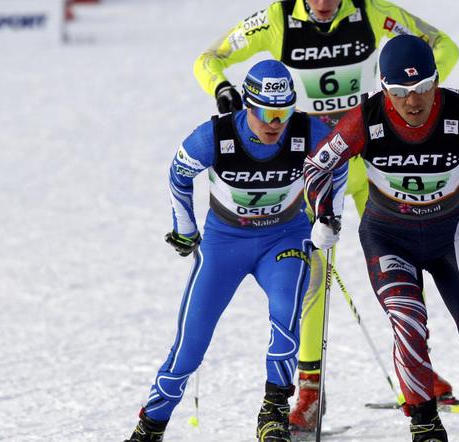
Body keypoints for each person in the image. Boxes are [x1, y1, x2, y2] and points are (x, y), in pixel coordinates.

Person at [193, 0, 459, 431]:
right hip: (315, 167)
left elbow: (444, 46)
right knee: (312, 276)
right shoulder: (277, 20)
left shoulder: (373, 13)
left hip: (374, 160)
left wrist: (406, 99)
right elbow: (209, 59)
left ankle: (419, 371)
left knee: (403, 262)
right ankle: (309, 393)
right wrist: (222, 90)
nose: (322, 5)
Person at [303, 35, 459, 442]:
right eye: (400, 92)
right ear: (384, 88)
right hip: (388, 237)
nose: (412, 102)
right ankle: (424, 424)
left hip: (449, 235)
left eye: (422, 89)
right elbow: (316, 166)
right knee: (407, 321)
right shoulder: (365, 119)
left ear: (436, 81)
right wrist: (324, 215)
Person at [124, 60, 345, 442]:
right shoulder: (216, 135)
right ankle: (151, 425)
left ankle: (273, 412)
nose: (276, 122)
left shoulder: (307, 130)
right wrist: (185, 228)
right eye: (267, 113)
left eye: (284, 112)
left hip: (284, 240)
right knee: (190, 345)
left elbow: (338, 165)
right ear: (247, 105)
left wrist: (328, 215)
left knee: (285, 316)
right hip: (225, 244)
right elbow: (178, 172)